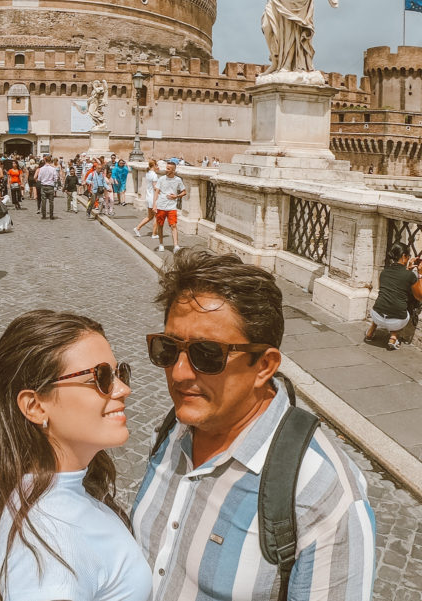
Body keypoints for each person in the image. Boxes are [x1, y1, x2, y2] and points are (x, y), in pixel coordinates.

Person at [131, 250, 376, 601]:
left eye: (207, 354)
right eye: (168, 348)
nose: (180, 373)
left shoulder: (322, 491)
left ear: (264, 366)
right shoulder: (172, 430)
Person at [0, 310, 150, 601]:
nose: (124, 389)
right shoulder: (53, 544)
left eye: (119, 372)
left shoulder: (37, 490)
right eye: (101, 377)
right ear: (35, 406)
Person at [365, 242, 422, 349]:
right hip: (396, 322)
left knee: (387, 297)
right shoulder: (410, 275)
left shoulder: (384, 272)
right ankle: (393, 337)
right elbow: (421, 296)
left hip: (376, 315)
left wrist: (407, 269)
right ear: (404, 256)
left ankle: (371, 331)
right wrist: (420, 274)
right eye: (408, 256)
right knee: (405, 300)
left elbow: (391, 288)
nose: (408, 259)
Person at [153, 159, 186, 253]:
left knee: (174, 225)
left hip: (172, 207)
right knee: (160, 225)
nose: (166, 170)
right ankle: (161, 244)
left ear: (173, 170)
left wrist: (177, 196)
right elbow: (157, 192)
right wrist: (154, 205)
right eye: (166, 168)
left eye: (168, 169)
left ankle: (176, 245)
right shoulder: (161, 179)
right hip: (161, 205)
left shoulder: (178, 180)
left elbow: (184, 192)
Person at [133, 158, 159, 238]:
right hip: (153, 198)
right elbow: (155, 187)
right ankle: (154, 234)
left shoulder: (148, 173)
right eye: (156, 165)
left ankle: (137, 228)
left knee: (150, 216)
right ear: (154, 165)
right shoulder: (154, 175)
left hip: (148, 197)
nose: (157, 166)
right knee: (156, 216)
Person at [36, 155, 59, 219]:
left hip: (43, 186)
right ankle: (51, 216)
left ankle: (44, 215)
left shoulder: (41, 169)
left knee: (43, 201)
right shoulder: (53, 169)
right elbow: (56, 179)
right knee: (51, 202)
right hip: (50, 186)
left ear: (45, 160)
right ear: (50, 161)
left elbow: (39, 179)